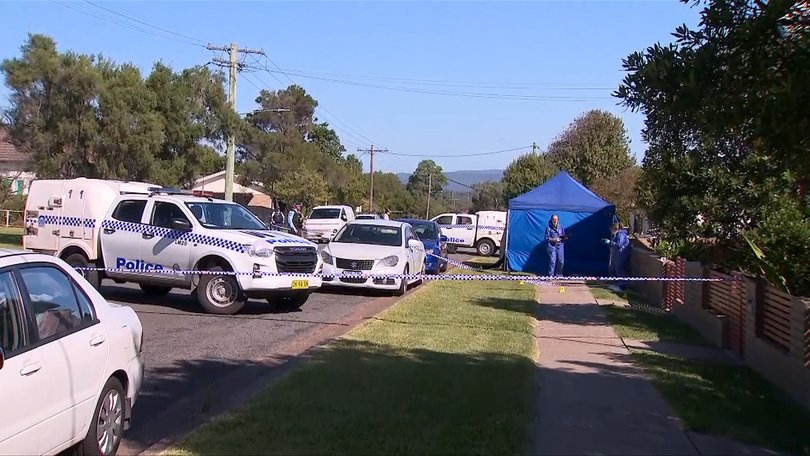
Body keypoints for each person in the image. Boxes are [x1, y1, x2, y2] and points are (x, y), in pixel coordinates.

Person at [604, 221, 630, 291]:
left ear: (615, 229)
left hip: (621, 254)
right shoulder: (619, 234)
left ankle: (622, 287)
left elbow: (619, 245)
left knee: (619, 270)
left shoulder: (620, 235)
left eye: (612, 230)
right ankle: (616, 284)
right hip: (618, 254)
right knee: (613, 268)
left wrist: (610, 242)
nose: (611, 231)